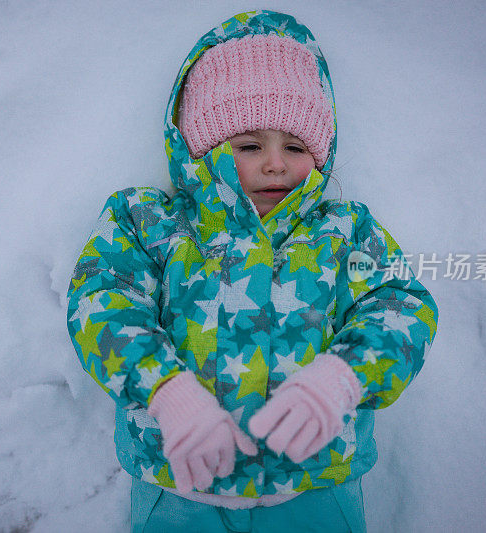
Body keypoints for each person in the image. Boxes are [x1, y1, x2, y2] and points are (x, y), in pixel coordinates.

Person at [66, 10, 438, 532]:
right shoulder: (149, 223)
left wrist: (344, 377)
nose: (275, 164)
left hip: (315, 484)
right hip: (179, 485)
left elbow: (401, 303)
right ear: (201, 149)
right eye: (248, 146)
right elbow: (101, 303)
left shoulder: (344, 230)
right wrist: (164, 390)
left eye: (295, 145)